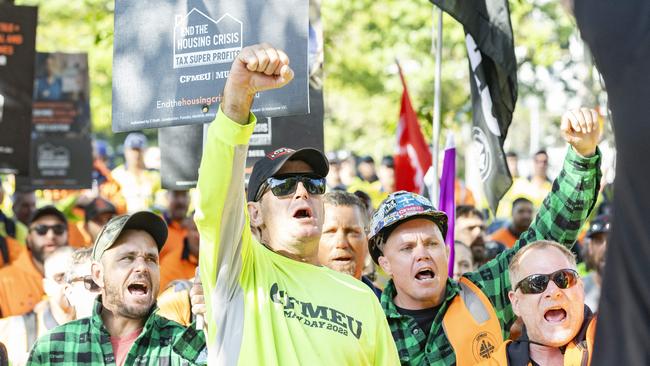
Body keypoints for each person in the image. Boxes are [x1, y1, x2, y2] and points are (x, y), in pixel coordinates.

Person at [185, 43, 398, 365]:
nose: (302, 192)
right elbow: (216, 198)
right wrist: (237, 100)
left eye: (314, 184)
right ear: (254, 213)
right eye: (283, 186)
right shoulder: (237, 270)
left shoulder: (362, 297)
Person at [367, 107, 601, 365]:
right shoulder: (366, 319)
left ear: (446, 251)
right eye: (407, 247)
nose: (422, 254)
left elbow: (548, 234)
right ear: (384, 263)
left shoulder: (483, 294)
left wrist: (581, 155)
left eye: (432, 243)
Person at [27, 211, 205, 365]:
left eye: (151, 259)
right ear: (98, 274)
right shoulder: (52, 349)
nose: (142, 267)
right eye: (128, 257)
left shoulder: (183, 350)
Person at [479, 241, 596, 365]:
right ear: (516, 303)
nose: (553, 291)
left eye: (563, 278)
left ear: (581, 288)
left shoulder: (615, 342)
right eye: (536, 283)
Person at [0, 246, 74, 365]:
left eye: (75, 278)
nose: (69, 285)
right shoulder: (16, 330)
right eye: (61, 278)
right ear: (46, 285)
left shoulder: (106, 328)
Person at [0, 206, 69, 317]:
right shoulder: (3, 281)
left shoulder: (83, 276)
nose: (51, 235)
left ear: (67, 235)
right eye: (41, 229)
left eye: (58, 229)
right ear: (28, 238)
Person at [318, 191, 382, 297]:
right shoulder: (290, 302)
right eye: (330, 232)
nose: (342, 243)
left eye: (352, 232)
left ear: (367, 243)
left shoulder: (385, 308)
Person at [111, 133, 160, 213]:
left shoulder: (154, 176)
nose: (136, 154)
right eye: (132, 150)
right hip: (124, 221)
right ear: (126, 151)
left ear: (145, 151)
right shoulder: (116, 175)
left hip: (148, 221)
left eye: (139, 150)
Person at [159, 215, 199, 290]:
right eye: (195, 229)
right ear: (186, 232)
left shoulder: (222, 262)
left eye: (206, 231)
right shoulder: (170, 264)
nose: (200, 235)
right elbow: (162, 300)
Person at [63, 247, 101, 319]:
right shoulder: (61, 330)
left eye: (109, 284)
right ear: (70, 293)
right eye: (94, 283)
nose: (103, 292)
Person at [582, 215, 609, 311]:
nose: (605, 248)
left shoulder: (637, 289)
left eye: (611, 239)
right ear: (590, 247)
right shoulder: (577, 291)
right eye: (598, 240)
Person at [159, 190, 190, 261]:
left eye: (184, 195)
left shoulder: (196, 229)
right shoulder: (156, 225)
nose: (181, 201)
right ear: (166, 197)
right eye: (175, 195)